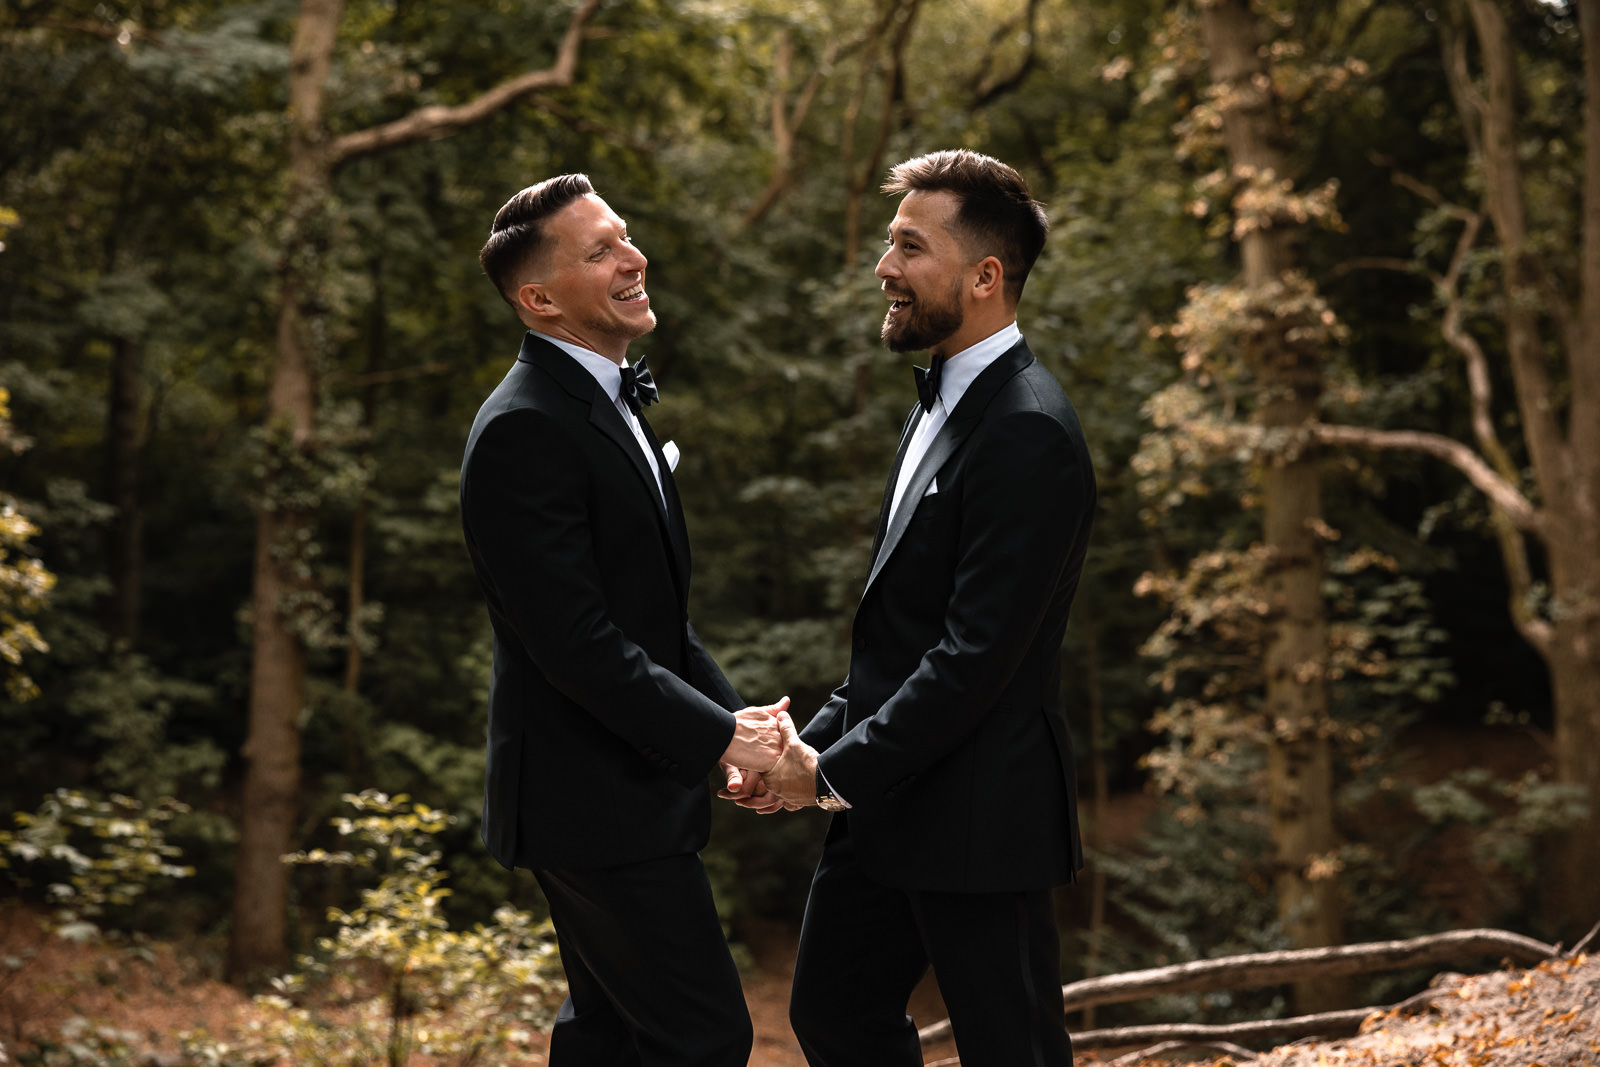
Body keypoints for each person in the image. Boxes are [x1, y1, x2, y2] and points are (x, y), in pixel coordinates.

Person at [743, 149, 1097, 1066]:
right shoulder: (939, 397)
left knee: (1011, 1049)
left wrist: (825, 772)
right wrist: (807, 742)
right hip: (888, 800)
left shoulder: (1027, 428)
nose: (883, 267)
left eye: (909, 245)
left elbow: (974, 657)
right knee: (831, 1014)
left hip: (983, 811)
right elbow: (900, 637)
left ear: (985, 276)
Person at [461, 173, 786, 1067]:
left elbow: (655, 621)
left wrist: (739, 728)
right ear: (538, 298)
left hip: (626, 789)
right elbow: (576, 643)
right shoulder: (522, 428)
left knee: (607, 1035)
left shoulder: (609, 403)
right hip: (587, 797)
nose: (634, 258)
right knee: (703, 1034)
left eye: (625, 237)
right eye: (600, 251)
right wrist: (719, 734)